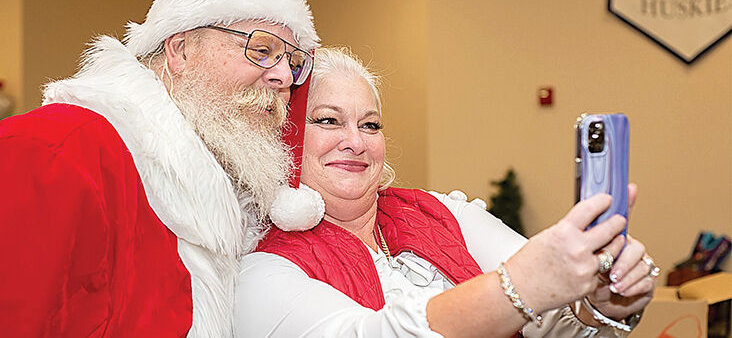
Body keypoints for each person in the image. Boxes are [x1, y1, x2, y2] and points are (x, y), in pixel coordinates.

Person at [0, 0, 319, 337]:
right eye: (262, 50)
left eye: (293, 61)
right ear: (179, 50)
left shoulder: (235, 209)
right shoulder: (55, 152)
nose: (283, 76)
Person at [235, 47, 658, 337]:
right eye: (328, 120)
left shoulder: (440, 210)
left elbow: (551, 323)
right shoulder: (261, 270)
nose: (357, 142)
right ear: (281, 136)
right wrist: (519, 284)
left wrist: (601, 307)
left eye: (370, 125)